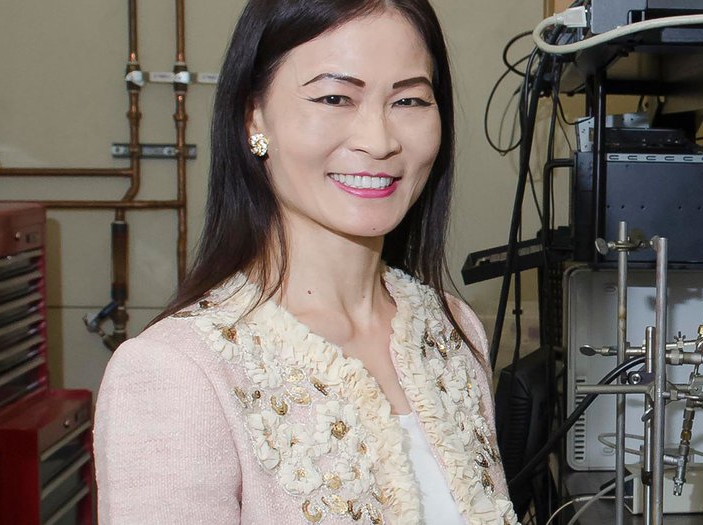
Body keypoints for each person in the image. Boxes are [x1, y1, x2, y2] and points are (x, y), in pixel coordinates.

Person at [94, 0, 519, 523]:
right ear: (255, 117)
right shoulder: (176, 370)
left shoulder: (452, 331)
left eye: (409, 101)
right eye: (335, 97)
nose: (379, 141)